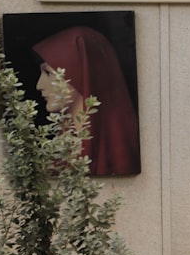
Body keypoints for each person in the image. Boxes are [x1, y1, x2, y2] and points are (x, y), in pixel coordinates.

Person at [33, 26, 141, 176]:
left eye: (48, 73)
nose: (39, 85)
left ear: (80, 72)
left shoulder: (119, 144)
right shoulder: (62, 139)